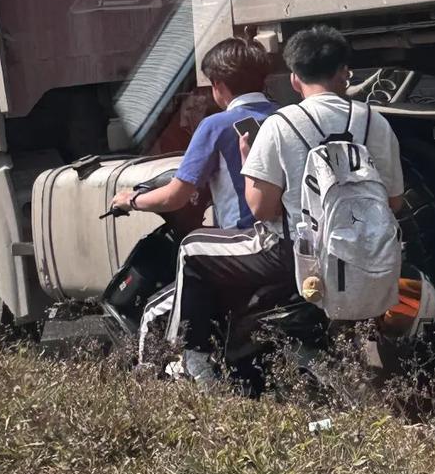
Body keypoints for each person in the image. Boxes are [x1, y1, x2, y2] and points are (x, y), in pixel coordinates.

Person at [171, 24, 406, 376]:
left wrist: (250, 159)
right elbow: (394, 202)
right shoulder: (375, 123)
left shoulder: (280, 125)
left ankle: (194, 362)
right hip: (366, 252)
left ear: (294, 78)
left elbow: (261, 209)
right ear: (345, 72)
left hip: (292, 254)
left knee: (192, 249)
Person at [109, 37, 276, 373]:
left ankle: (177, 377)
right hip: (292, 243)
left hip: (243, 245)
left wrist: (132, 199)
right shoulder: (284, 116)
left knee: (155, 310)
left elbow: (176, 195)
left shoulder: (215, 126)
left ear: (218, 86)